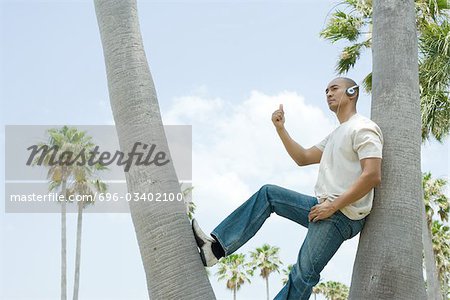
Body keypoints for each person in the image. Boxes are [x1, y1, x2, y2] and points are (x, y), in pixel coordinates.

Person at [192, 77, 383, 299]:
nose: (328, 94)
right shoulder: (336, 134)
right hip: (323, 207)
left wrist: (332, 207)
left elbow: (372, 175)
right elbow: (302, 157)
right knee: (269, 194)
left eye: (334, 89)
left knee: (303, 274)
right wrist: (280, 128)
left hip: (342, 214)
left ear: (353, 92)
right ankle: (215, 249)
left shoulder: (363, 127)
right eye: (326, 91)